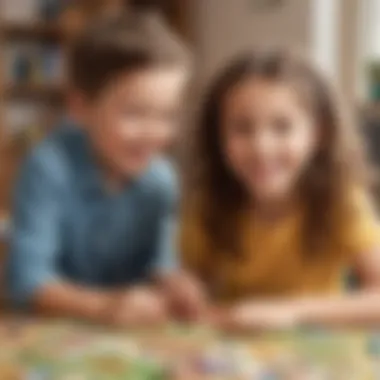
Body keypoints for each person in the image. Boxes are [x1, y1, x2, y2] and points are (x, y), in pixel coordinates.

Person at [6, 12, 204, 326]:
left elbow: (159, 265)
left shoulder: (162, 181)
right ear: (80, 108)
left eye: (167, 115)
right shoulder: (48, 168)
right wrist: (103, 306)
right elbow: (26, 283)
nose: (154, 132)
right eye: (135, 113)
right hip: (52, 334)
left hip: (125, 341)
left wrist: (174, 285)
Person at [180, 48, 380, 331]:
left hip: (318, 353)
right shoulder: (208, 203)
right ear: (218, 136)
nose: (261, 147)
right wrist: (186, 292)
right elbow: (194, 286)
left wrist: (290, 312)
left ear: (317, 134)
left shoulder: (341, 202)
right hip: (235, 355)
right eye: (242, 128)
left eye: (283, 127)